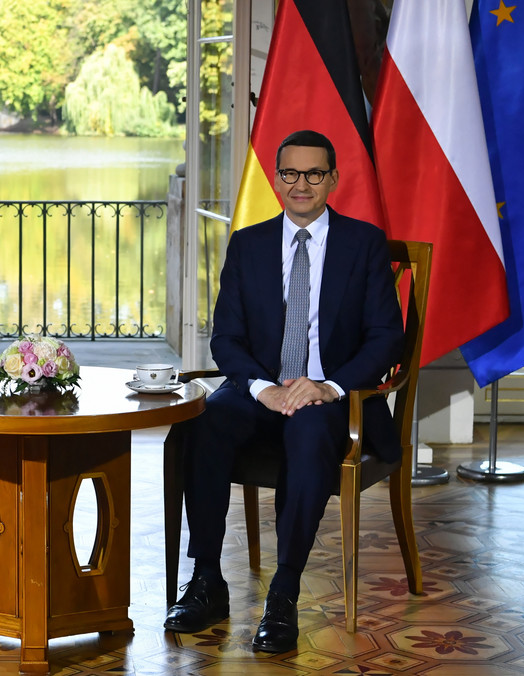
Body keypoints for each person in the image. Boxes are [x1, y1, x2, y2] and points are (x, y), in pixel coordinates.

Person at [164, 130, 404, 652]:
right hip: (262, 388)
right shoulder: (248, 244)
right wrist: (263, 387)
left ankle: (284, 591)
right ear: (276, 179)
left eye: (314, 173)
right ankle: (207, 580)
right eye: (290, 173)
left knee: (310, 430)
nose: (301, 184)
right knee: (202, 422)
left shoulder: (362, 244)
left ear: (332, 179)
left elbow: (387, 336)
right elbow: (225, 336)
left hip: (332, 398)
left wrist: (328, 386)